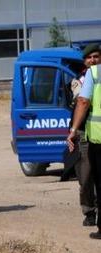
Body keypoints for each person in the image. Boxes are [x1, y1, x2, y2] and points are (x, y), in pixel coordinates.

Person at [67, 53, 101, 240]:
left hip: (95, 134)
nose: (92, 60)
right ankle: (89, 211)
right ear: (84, 61)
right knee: (86, 175)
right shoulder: (79, 80)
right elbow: (79, 101)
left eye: (96, 56)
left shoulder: (95, 75)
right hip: (85, 133)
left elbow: (84, 101)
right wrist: (73, 130)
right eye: (89, 57)